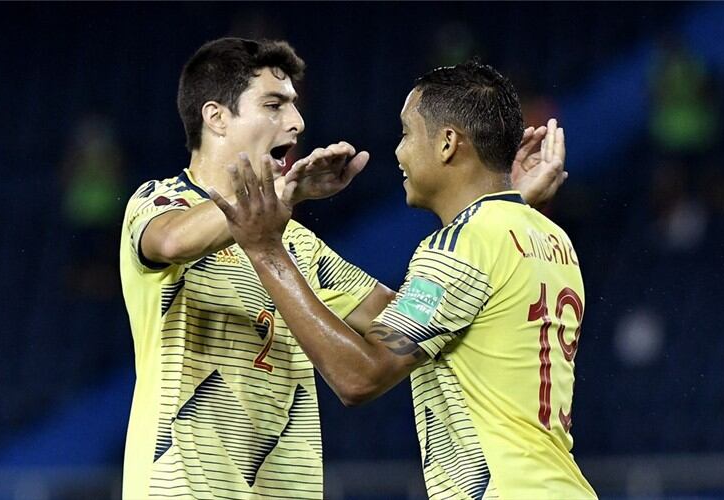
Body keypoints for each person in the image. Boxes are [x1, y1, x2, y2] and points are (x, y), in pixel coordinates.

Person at [121, 37, 565, 498]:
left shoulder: (295, 244)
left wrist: (496, 209)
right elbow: (171, 241)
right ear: (216, 117)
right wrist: (285, 195)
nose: (296, 122)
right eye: (274, 105)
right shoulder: (158, 202)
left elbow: (412, 318)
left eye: (294, 105)